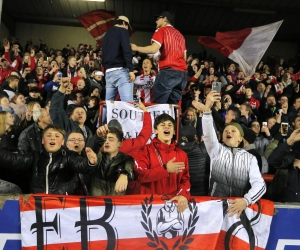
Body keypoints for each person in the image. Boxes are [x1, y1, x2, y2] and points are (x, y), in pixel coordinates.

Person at [202, 91, 266, 218]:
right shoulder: (216, 150)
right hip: (216, 209)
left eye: (233, 130)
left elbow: (260, 185)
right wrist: (207, 109)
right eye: (226, 131)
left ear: (240, 138)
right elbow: (209, 134)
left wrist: (246, 201)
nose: (228, 132)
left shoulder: (250, 158)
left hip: (239, 211)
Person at [134, 113, 190, 212]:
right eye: (162, 125)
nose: (166, 127)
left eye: (170, 125)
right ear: (155, 131)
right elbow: (140, 176)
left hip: (173, 207)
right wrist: (166, 169)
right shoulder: (144, 151)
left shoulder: (182, 155)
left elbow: (185, 180)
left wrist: (182, 194)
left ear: (173, 131)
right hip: (150, 207)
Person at [131, 11, 187, 104]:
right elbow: (184, 57)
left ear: (165, 19)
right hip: (182, 75)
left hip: (168, 71)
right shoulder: (180, 35)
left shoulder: (161, 30)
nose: (156, 21)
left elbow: (153, 49)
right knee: (172, 106)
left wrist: (137, 48)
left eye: (158, 18)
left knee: (159, 104)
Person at [30, 124, 98, 195]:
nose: (52, 138)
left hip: (62, 203)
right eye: (49, 135)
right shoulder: (35, 156)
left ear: (63, 142)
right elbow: (18, 160)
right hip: (38, 203)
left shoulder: (69, 155)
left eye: (57, 136)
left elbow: (81, 165)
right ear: (43, 140)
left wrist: (90, 163)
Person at [89, 127, 134, 196]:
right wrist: (97, 137)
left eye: (111, 140)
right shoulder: (97, 157)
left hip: (117, 204)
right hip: (96, 204)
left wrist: (124, 174)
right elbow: (92, 148)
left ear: (120, 144)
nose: (106, 142)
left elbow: (130, 169)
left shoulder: (127, 159)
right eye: (105, 139)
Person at [102, 15, 135, 102]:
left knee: (108, 104)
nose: (127, 29)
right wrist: (131, 70)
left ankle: (103, 116)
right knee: (127, 104)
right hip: (120, 71)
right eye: (127, 26)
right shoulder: (123, 30)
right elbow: (126, 50)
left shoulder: (106, 34)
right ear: (124, 23)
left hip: (108, 72)